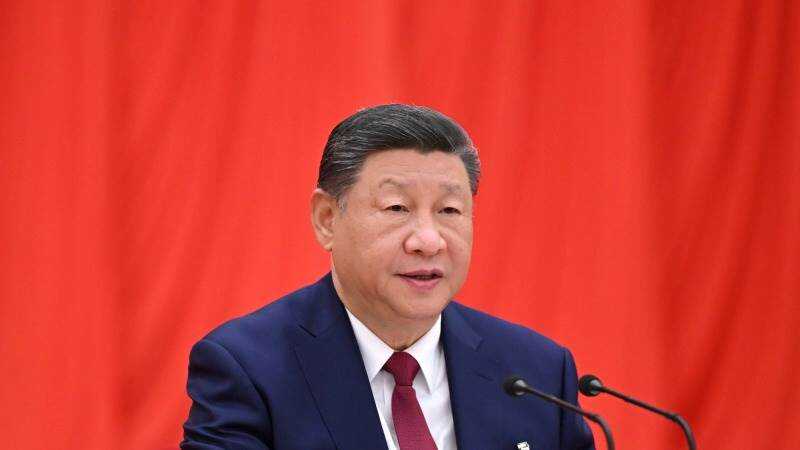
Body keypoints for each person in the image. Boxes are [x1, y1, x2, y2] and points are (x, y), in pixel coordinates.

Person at [180, 104, 595, 450]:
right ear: (327, 219)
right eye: (397, 208)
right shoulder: (248, 368)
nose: (428, 241)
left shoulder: (537, 372)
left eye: (449, 210)